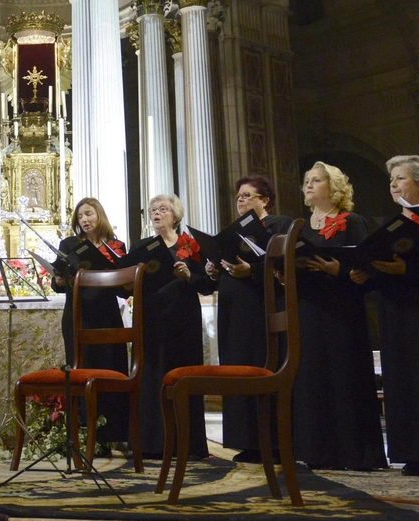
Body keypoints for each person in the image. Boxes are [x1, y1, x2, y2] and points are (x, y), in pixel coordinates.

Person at [347, 156, 419, 478]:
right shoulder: (389, 224)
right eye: (391, 180)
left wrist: (409, 268)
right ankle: (412, 452)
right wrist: (365, 274)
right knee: (403, 381)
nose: (393, 185)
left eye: (400, 178)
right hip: (395, 311)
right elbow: (380, 264)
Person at [291, 162, 385, 471]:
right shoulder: (301, 227)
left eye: (316, 180)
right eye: (307, 180)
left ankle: (355, 452)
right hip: (309, 309)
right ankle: (319, 451)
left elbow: (366, 264)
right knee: (313, 377)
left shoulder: (351, 221)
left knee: (345, 375)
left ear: (334, 187)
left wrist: (339, 269)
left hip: (342, 310)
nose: (309, 185)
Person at [204, 175, 293, 464]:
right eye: (238, 196)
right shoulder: (233, 231)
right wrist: (214, 269)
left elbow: (279, 264)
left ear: (264, 200)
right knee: (235, 368)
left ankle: (269, 442)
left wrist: (251, 271)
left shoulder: (278, 224)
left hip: (259, 308)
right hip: (232, 307)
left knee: (258, 366)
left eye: (247, 195)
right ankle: (244, 441)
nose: (240, 200)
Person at [123, 193, 211, 459]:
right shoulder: (141, 247)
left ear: (175, 215)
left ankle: (188, 443)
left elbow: (208, 284)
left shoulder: (192, 246)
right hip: (151, 317)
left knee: (184, 376)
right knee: (152, 375)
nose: (157, 213)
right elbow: (126, 281)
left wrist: (189, 275)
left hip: (184, 319)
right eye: (152, 209)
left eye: (163, 208)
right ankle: (151, 443)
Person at [55, 196, 130, 446]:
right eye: (80, 216)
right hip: (77, 314)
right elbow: (59, 283)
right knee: (80, 369)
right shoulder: (69, 244)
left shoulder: (115, 246)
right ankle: (83, 433)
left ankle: (113, 434)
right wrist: (59, 281)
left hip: (106, 316)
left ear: (99, 215)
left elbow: (124, 290)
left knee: (109, 370)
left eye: (89, 214)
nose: (84, 220)